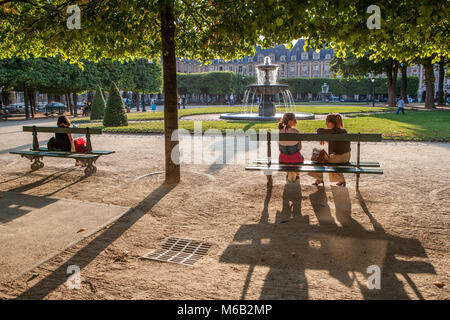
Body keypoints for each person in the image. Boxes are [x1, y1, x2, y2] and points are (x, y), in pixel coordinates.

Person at [308, 113, 350, 187]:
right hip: (346, 157)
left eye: (327, 122)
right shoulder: (344, 131)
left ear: (331, 123)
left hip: (338, 158)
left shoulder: (332, 131)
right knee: (329, 159)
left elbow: (319, 130)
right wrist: (325, 138)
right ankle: (341, 180)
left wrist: (323, 137)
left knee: (318, 156)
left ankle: (319, 179)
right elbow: (336, 143)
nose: (326, 124)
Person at [278, 112, 303, 182]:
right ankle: (297, 174)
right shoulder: (296, 132)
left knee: (286, 155)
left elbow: (280, 149)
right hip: (295, 160)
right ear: (290, 122)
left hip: (283, 160)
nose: (296, 122)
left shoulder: (279, 132)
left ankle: (288, 173)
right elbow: (300, 148)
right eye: (295, 120)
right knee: (300, 156)